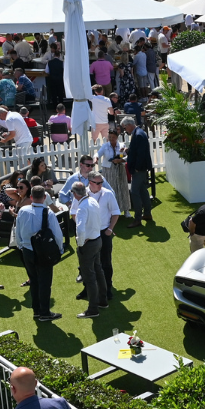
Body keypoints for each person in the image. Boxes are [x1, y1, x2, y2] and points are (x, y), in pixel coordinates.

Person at [14, 187, 64, 322]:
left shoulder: (23, 211)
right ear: (44, 198)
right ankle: (44, 312)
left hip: (26, 252)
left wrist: (21, 246)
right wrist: (60, 249)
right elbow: (58, 235)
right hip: (42, 253)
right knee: (44, 283)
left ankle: (37, 311)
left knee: (34, 282)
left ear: (31, 197)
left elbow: (17, 231)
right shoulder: (48, 213)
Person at [83, 170, 121, 303]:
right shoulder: (83, 194)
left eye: (101, 182)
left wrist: (110, 229)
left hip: (103, 232)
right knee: (87, 263)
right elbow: (75, 212)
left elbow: (116, 212)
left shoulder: (108, 194)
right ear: (90, 182)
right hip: (88, 234)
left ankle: (108, 288)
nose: (100, 185)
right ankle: (86, 288)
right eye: (97, 183)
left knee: (105, 262)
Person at [70, 182, 106, 319]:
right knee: (99, 271)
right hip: (97, 240)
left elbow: (80, 228)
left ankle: (93, 309)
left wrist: (80, 244)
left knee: (89, 276)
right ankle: (103, 301)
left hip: (89, 244)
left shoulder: (82, 207)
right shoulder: (92, 201)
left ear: (74, 194)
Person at [123, 117, 154, 226]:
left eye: (125, 127)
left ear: (129, 125)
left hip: (139, 169)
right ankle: (147, 214)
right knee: (142, 190)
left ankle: (137, 219)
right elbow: (138, 150)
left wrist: (137, 167)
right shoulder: (139, 133)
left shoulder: (138, 135)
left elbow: (141, 154)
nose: (125, 130)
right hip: (140, 168)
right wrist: (129, 150)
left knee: (134, 192)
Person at [97, 129, 131, 212]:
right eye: (110, 137)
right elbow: (98, 153)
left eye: (113, 137)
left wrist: (121, 160)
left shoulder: (122, 145)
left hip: (120, 170)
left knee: (123, 189)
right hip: (109, 171)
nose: (111, 139)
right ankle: (112, 211)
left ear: (117, 137)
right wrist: (95, 158)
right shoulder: (105, 146)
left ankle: (126, 210)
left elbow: (127, 157)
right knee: (111, 190)